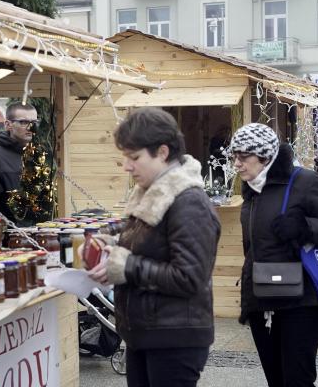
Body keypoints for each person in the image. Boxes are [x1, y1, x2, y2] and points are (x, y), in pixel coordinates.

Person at [88, 107, 221, 387]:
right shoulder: (151, 193)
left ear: (162, 152)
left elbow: (189, 278)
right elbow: (143, 243)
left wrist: (127, 266)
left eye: (134, 157)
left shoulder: (189, 203)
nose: (126, 166)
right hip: (147, 334)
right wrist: (108, 243)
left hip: (174, 340)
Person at [231, 123, 318, 387]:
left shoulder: (304, 182)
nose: (236, 164)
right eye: (233, 157)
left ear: (265, 156)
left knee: (297, 380)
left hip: (301, 300)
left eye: (243, 156)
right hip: (262, 297)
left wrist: (304, 227)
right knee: (276, 380)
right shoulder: (250, 187)